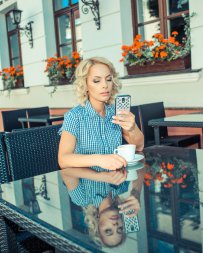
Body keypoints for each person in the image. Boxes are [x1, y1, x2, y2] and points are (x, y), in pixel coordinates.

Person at [58, 56, 144, 247]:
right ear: (85, 85)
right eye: (119, 229)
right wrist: (100, 160)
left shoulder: (116, 112)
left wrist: (131, 128)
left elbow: (139, 146)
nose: (104, 85)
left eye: (108, 78)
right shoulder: (74, 116)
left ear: (97, 225)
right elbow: (63, 160)